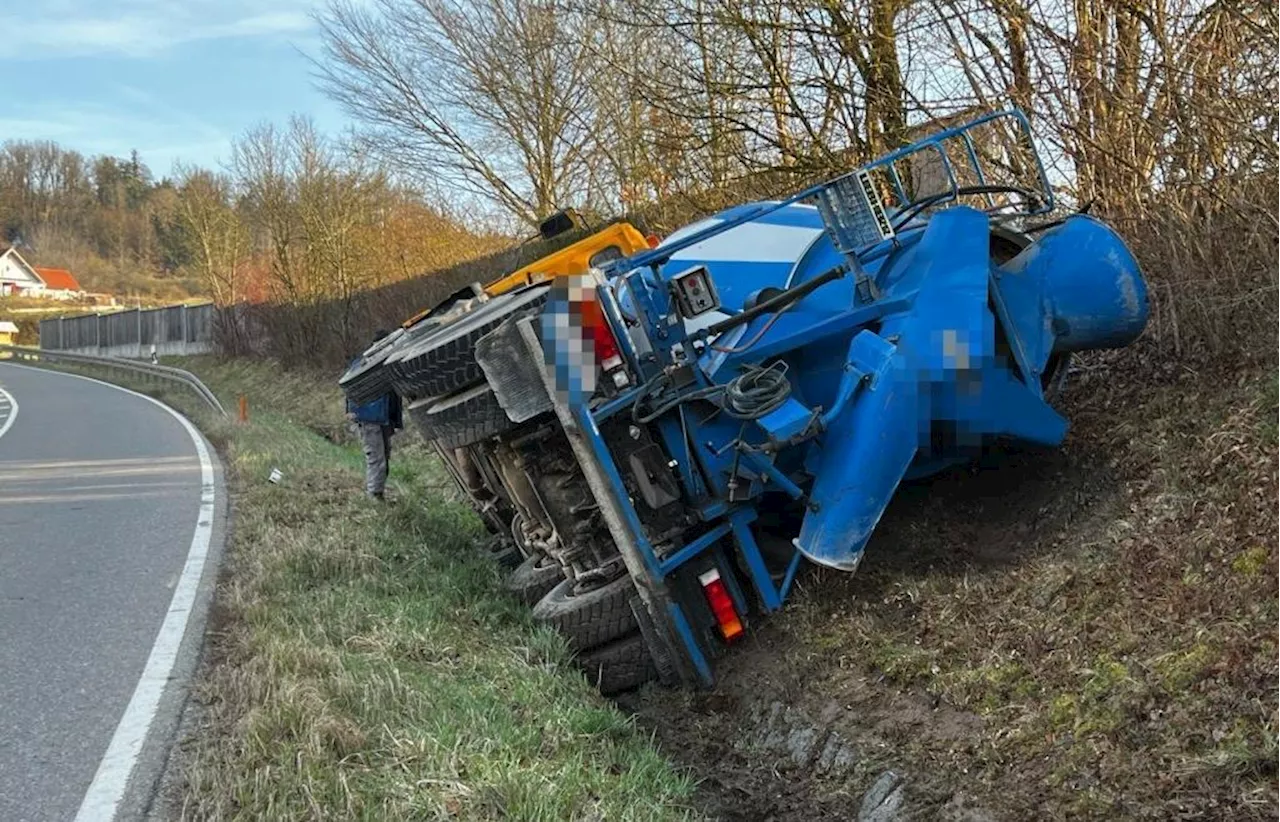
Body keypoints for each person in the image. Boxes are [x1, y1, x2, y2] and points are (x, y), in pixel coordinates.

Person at [345, 330, 403, 500]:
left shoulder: (380, 362)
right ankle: (374, 495)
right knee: (376, 458)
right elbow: (351, 388)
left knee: (383, 457)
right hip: (370, 418)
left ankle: (378, 493)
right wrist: (352, 411)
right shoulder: (366, 364)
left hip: (382, 418)